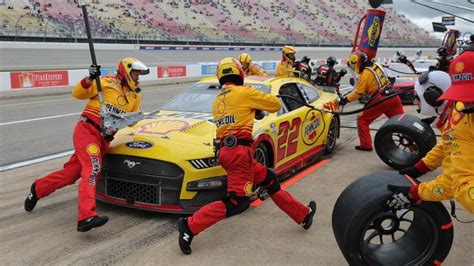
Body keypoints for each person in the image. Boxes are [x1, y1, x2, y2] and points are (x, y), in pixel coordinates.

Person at [177, 57, 316, 255]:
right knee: (237, 203)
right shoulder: (244, 92)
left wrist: (253, 109)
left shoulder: (218, 101)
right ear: (239, 73)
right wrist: (257, 107)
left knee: (269, 180)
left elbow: (235, 117)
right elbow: (275, 104)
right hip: (239, 153)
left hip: (230, 152)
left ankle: (303, 215)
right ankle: (189, 226)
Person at [24, 58, 150, 232]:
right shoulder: (104, 82)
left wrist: (136, 120)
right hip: (87, 130)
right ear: (127, 71)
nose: (138, 77)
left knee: (70, 174)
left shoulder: (136, 96)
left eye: (139, 74)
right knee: (92, 169)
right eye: (136, 73)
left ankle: (38, 188)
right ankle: (86, 216)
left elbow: (128, 122)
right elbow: (77, 94)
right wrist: (89, 79)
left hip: (103, 139)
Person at [388, 50, 474, 214]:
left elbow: (456, 183)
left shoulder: (462, 116)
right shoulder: (460, 114)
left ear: (432, 96)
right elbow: (449, 144)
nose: (464, 102)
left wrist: (417, 192)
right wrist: (422, 167)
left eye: (417, 97)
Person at [339, 50, 404, 151]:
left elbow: (358, 93)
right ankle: (413, 145)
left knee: (362, 120)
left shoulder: (365, 74)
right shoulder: (376, 65)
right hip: (393, 95)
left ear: (356, 63)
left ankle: (366, 145)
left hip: (381, 98)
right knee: (402, 125)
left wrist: (345, 100)